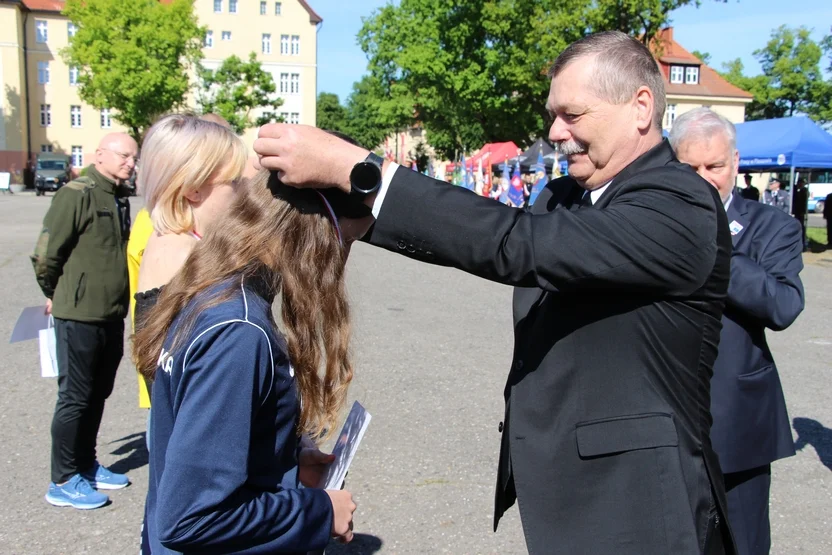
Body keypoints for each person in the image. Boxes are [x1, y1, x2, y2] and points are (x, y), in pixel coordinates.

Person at [255, 31, 735, 554]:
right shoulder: (564, 195)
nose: (554, 132)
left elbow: (516, 245)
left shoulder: (678, 202)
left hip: (640, 507)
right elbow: (480, 240)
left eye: (572, 115)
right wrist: (355, 209)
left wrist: (360, 169)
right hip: (571, 497)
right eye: (554, 114)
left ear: (640, 107)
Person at [133, 170, 365, 553]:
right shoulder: (239, 330)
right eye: (347, 240)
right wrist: (319, 510)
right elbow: (192, 517)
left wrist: (284, 460)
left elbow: (207, 447)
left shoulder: (215, 292)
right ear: (315, 234)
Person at [671, 108, 804, 555]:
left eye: (716, 166)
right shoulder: (654, 222)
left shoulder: (774, 227)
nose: (705, 179)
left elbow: (783, 305)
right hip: (665, 416)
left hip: (739, 421)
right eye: (691, 168)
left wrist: (717, 248)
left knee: (741, 544)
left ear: (736, 163)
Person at [32, 132, 138, 509]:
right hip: (78, 314)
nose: (130, 162)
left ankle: (85, 465)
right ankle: (62, 480)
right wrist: (55, 293)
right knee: (75, 398)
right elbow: (46, 255)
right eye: (123, 155)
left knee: (97, 394)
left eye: (133, 157)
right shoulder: (76, 194)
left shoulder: (117, 196)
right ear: (100, 155)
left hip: (110, 314)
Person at [792, 178, 809, 250]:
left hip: (800, 212)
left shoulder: (804, 191)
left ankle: (803, 243)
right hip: (795, 211)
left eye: (802, 183)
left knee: (801, 227)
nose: (801, 184)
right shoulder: (794, 189)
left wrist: (803, 212)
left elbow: (804, 202)